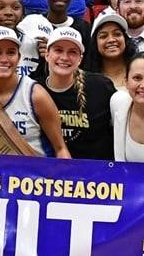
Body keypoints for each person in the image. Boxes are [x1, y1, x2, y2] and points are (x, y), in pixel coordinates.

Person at [0, 26, 70, 159]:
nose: (4, 59)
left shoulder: (35, 94)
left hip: (35, 176)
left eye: (11, 52)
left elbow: (60, 148)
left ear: (19, 57)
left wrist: (65, 177)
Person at [42, 26, 115, 160]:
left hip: (95, 176)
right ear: (47, 55)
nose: (64, 57)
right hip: (47, 176)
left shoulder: (101, 87)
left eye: (72, 52)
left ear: (80, 59)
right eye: (58, 50)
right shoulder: (34, 89)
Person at [87, 8, 135, 91]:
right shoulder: (86, 80)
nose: (111, 40)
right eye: (103, 36)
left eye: (117, 34)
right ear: (95, 43)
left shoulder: (139, 71)